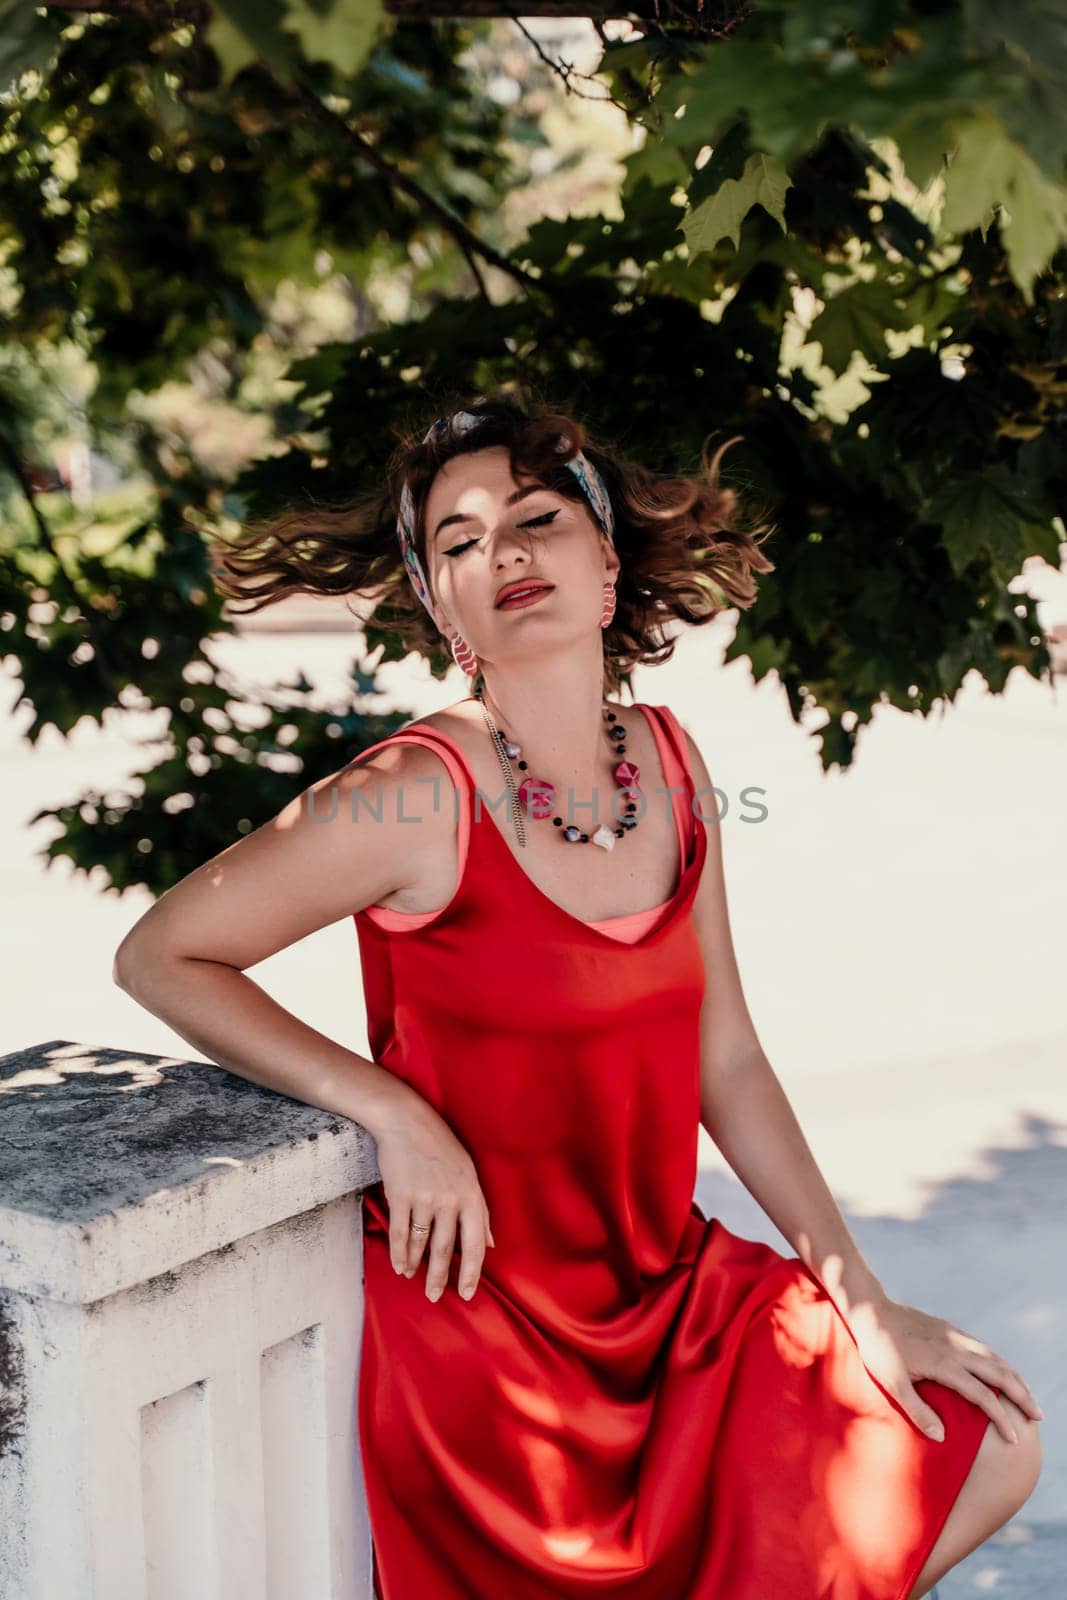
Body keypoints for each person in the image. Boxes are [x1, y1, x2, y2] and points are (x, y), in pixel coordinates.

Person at [114, 395, 1043, 1599]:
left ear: (605, 561)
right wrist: (393, 1111)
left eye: (535, 519)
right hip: (489, 1349)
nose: (500, 553)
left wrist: (857, 1300)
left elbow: (729, 1061)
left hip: (672, 1298)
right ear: (441, 608)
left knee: (987, 1439)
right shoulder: (414, 790)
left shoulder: (668, 759)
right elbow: (164, 953)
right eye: (456, 541)